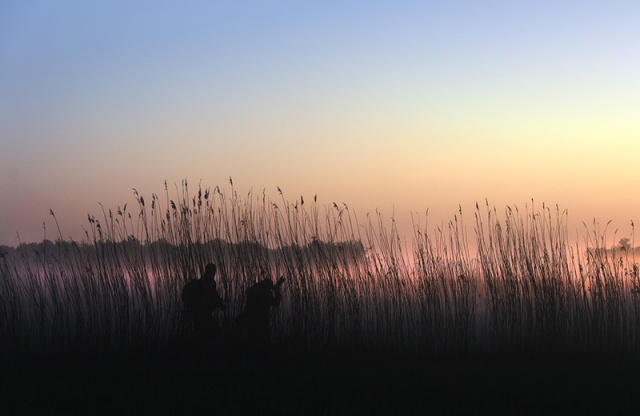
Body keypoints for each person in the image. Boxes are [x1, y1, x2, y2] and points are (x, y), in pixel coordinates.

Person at [182, 263, 226, 352]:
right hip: (202, 314)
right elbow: (212, 296)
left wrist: (220, 304)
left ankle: (202, 352)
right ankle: (204, 354)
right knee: (213, 333)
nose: (214, 273)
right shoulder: (207, 282)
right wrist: (220, 305)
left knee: (202, 334)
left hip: (200, 313)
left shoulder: (207, 282)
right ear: (210, 271)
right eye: (213, 271)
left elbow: (213, 296)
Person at [241, 276, 286, 353]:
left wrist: (277, 286)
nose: (270, 290)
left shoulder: (255, 291)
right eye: (269, 288)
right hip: (262, 321)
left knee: (251, 340)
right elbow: (276, 302)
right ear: (267, 286)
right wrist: (277, 291)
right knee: (264, 341)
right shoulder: (265, 294)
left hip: (250, 320)